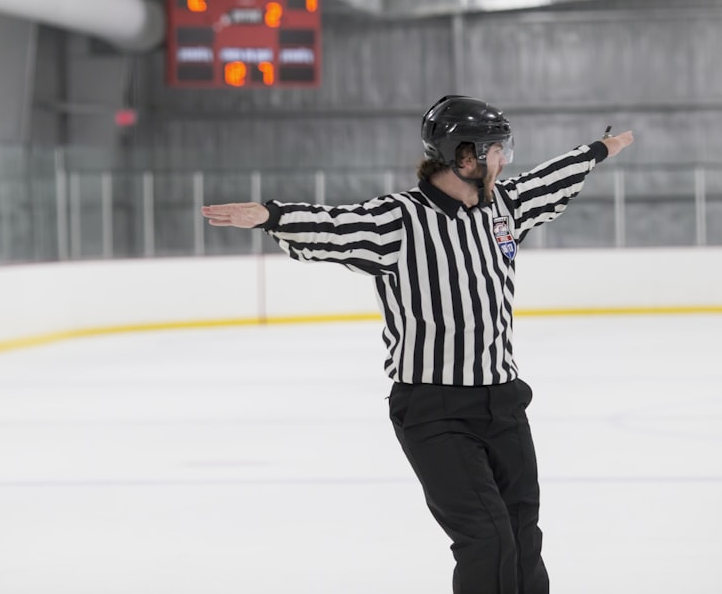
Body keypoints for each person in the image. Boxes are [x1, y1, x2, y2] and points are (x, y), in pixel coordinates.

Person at [201, 95, 635, 594]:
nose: (504, 161)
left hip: (505, 401)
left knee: (521, 535)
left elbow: (549, 179)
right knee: (487, 541)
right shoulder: (399, 220)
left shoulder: (504, 208)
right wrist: (270, 215)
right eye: (497, 151)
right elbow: (336, 227)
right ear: (464, 157)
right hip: (436, 410)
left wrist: (598, 150)